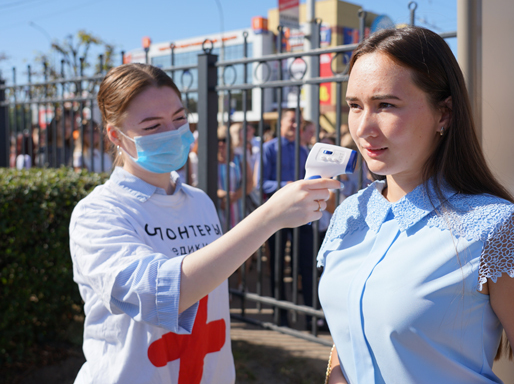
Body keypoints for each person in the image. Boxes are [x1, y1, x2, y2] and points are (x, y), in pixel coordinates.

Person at [318, 27, 514, 384]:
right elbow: (348, 330)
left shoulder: (498, 227)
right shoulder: (350, 213)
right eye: (354, 106)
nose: (363, 127)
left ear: (444, 113)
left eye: (386, 105)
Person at [69, 63, 339, 384]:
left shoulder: (199, 202)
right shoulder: (98, 212)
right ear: (116, 135)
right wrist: (269, 217)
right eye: (153, 126)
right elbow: (161, 296)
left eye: (179, 118)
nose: (173, 132)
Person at [261, 107, 314, 327]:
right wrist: (287, 186)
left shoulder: (303, 151)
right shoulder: (269, 149)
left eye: (298, 122)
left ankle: (311, 316)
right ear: (280, 123)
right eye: (291, 121)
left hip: (302, 214)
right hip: (278, 215)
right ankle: (280, 314)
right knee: (277, 266)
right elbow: (262, 184)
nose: (295, 125)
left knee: (307, 264)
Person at [217, 125, 254, 232]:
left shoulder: (240, 158)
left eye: (224, 140)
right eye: (218, 140)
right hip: (218, 208)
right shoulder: (210, 161)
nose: (221, 143)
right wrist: (222, 194)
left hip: (238, 207)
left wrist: (232, 197)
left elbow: (249, 183)